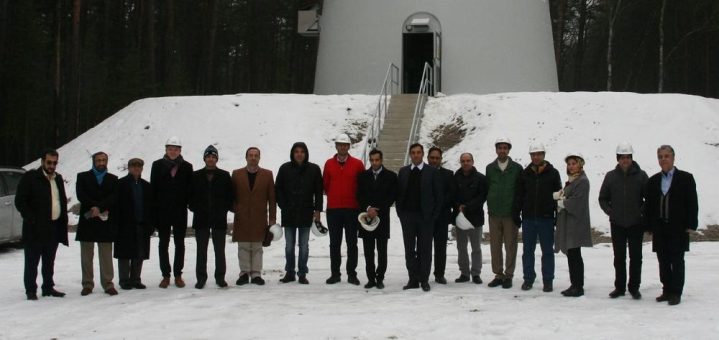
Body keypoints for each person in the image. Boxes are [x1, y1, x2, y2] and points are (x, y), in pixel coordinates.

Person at [644, 145, 698, 306]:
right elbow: (649, 205)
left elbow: (692, 202)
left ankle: (676, 292)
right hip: (660, 227)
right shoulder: (653, 181)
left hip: (678, 226)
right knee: (663, 260)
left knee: (677, 259)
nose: (663, 159)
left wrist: (691, 223)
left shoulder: (686, 178)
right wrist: (648, 225)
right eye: (660, 156)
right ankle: (666, 289)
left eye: (666, 156)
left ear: (673, 158)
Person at [15, 149, 69, 300]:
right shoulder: (31, 178)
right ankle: (31, 290)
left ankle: (48, 287)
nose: (52, 166)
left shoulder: (58, 178)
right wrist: (31, 219)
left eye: (54, 163)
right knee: (32, 261)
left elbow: (60, 200)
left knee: (49, 260)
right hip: (35, 228)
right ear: (42, 162)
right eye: (49, 162)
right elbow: (20, 201)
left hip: (53, 227)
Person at [598, 142, 648, 299]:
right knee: (619, 257)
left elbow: (649, 198)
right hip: (617, 223)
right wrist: (610, 211)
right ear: (618, 159)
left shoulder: (641, 175)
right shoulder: (610, 176)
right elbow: (603, 198)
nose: (625, 160)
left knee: (636, 257)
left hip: (636, 224)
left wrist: (641, 212)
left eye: (628, 157)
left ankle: (634, 287)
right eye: (622, 157)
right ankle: (619, 287)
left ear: (631, 158)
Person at [514, 142, 562, 292]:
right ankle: (528, 278)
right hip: (528, 218)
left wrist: (557, 216)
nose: (536, 157)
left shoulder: (553, 173)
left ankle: (548, 280)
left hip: (546, 218)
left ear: (543, 155)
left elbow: (558, 196)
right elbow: (519, 195)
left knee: (547, 251)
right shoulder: (525, 173)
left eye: (538, 154)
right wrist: (517, 213)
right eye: (533, 154)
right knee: (528, 251)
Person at [275, 142, 323, 284]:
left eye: (302, 151)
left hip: (306, 212)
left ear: (306, 153)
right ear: (292, 153)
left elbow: (318, 192)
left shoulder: (314, 169)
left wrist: (318, 210)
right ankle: (290, 272)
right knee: (289, 245)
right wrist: (283, 205)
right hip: (289, 213)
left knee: (304, 245)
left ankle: (302, 273)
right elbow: (278, 189)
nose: (299, 154)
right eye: (296, 151)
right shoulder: (284, 168)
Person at [396, 143, 442, 292]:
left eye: (418, 152)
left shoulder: (432, 172)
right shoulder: (403, 172)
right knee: (409, 249)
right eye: (413, 153)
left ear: (423, 154)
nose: (416, 155)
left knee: (425, 249)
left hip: (425, 218)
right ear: (410, 155)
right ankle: (413, 279)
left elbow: (438, 197)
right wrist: (401, 213)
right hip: (408, 217)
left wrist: (433, 216)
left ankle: (424, 279)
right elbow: (399, 195)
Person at [322, 133, 365, 285]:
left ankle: (352, 274)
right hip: (334, 209)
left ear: (349, 146)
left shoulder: (357, 164)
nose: (342, 147)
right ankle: (335, 273)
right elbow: (326, 185)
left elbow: (362, 185)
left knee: (352, 243)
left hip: (352, 209)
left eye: (345, 145)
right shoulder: (329, 164)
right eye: (340, 144)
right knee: (334, 243)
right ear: (336, 146)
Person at [151, 136, 193, 288]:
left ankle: (178, 274)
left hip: (180, 211)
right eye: (170, 149)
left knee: (179, 243)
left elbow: (190, 190)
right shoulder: (157, 165)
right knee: (163, 243)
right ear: (166, 149)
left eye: (176, 149)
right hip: (162, 211)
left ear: (180, 150)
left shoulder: (187, 167)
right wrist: (154, 210)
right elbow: (153, 189)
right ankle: (165, 275)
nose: (173, 151)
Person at [75, 151, 119, 296]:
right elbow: (81, 194)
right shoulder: (82, 177)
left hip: (104, 219)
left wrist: (100, 208)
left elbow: (114, 197)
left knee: (106, 254)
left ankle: (108, 284)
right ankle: (87, 284)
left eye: (104, 160)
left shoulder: (113, 179)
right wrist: (94, 206)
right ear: (93, 162)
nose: (101, 163)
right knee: (86, 255)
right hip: (88, 219)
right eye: (98, 160)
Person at [232, 147, 277, 286]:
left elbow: (272, 199)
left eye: (256, 155)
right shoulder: (236, 174)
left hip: (259, 217)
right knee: (243, 246)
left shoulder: (268, 174)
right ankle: (244, 273)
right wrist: (236, 209)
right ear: (246, 157)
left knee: (257, 247)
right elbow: (231, 196)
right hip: (242, 217)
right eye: (250, 155)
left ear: (259, 158)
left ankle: (256, 273)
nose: (253, 157)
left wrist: (272, 220)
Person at [189, 145, 233, 289]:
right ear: (204, 158)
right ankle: (201, 278)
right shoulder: (195, 176)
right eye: (208, 157)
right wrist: (195, 207)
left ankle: (220, 277)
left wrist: (224, 209)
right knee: (201, 251)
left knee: (220, 250)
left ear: (216, 159)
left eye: (213, 157)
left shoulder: (225, 175)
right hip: (201, 219)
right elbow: (190, 197)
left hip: (218, 219)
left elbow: (230, 196)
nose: (211, 159)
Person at [356, 149, 397, 289]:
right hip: (366, 217)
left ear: (381, 160)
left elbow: (392, 196)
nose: (374, 162)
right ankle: (371, 278)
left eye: (377, 160)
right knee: (368, 251)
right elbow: (359, 195)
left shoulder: (391, 176)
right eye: (372, 160)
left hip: (382, 218)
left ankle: (380, 278)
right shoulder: (362, 176)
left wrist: (378, 209)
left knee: (382, 251)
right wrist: (368, 208)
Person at [485, 137, 522, 289]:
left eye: (505, 148)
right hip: (494, 213)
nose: (502, 150)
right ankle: (498, 274)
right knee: (495, 245)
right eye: (500, 148)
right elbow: (487, 187)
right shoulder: (490, 168)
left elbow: (519, 191)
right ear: (496, 150)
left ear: (509, 150)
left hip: (509, 213)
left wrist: (517, 210)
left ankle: (509, 275)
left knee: (510, 245)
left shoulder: (517, 168)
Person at [554, 153, 593, 297]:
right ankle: (575, 284)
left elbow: (577, 202)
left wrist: (562, 202)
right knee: (572, 255)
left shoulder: (582, 181)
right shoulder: (573, 180)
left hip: (576, 223)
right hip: (570, 223)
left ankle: (578, 286)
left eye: (573, 163)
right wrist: (561, 195)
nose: (571, 166)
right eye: (569, 164)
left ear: (580, 164)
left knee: (575, 255)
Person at [114, 158, 154, 290]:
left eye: (139, 166)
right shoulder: (121, 184)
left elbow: (150, 206)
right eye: (134, 166)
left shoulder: (146, 185)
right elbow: (116, 205)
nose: (136, 168)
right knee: (125, 253)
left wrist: (150, 223)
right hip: (125, 223)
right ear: (129, 168)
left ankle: (136, 279)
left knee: (140, 252)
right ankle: (124, 280)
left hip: (142, 223)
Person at [453, 153, 488, 284]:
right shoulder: (455, 178)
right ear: (460, 162)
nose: (465, 163)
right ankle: (464, 272)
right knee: (461, 247)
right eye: (463, 161)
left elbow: (482, 196)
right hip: (460, 218)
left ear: (473, 162)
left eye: (468, 160)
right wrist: (458, 206)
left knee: (476, 247)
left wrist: (467, 206)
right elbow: (452, 195)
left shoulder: (481, 178)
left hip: (476, 217)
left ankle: (476, 273)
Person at [426, 147, 456, 284]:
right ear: (428, 158)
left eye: (437, 158)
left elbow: (451, 194)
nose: (434, 160)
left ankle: (439, 274)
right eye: (432, 158)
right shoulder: (422, 173)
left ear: (441, 159)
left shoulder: (449, 174)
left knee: (440, 247)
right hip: (425, 217)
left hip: (442, 216)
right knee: (424, 247)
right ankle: (423, 272)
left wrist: (438, 206)